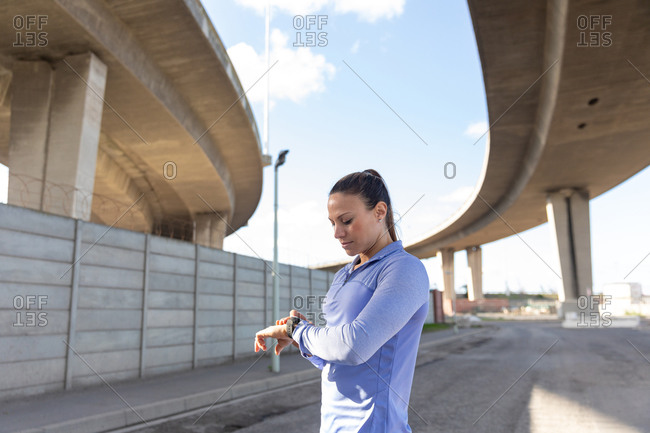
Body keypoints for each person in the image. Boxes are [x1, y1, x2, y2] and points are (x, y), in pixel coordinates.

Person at [254, 169, 429, 433]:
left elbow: (354, 347)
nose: (337, 232)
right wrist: (305, 341)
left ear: (380, 212)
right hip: (333, 425)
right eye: (332, 222)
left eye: (346, 220)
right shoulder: (343, 275)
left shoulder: (404, 268)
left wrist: (297, 330)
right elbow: (334, 361)